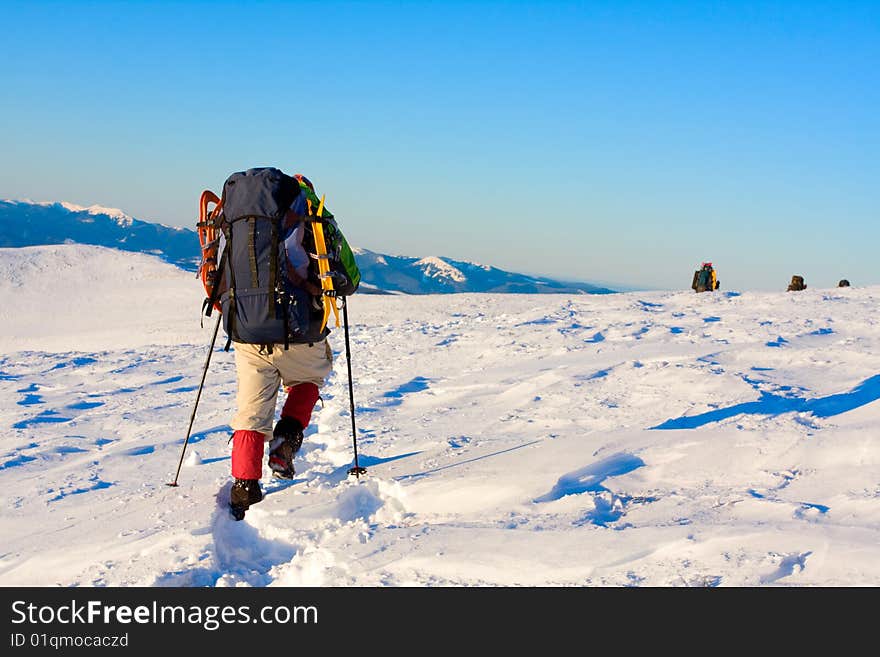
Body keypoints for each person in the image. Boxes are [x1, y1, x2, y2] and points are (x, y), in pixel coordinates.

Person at [222, 171, 359, 519]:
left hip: (248, 328)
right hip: (300, 329)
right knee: (309, 378)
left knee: (250, 412)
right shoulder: (309, 211)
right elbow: (349, 276)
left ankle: (244, 487)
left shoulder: (241, 217)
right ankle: (286, 438)